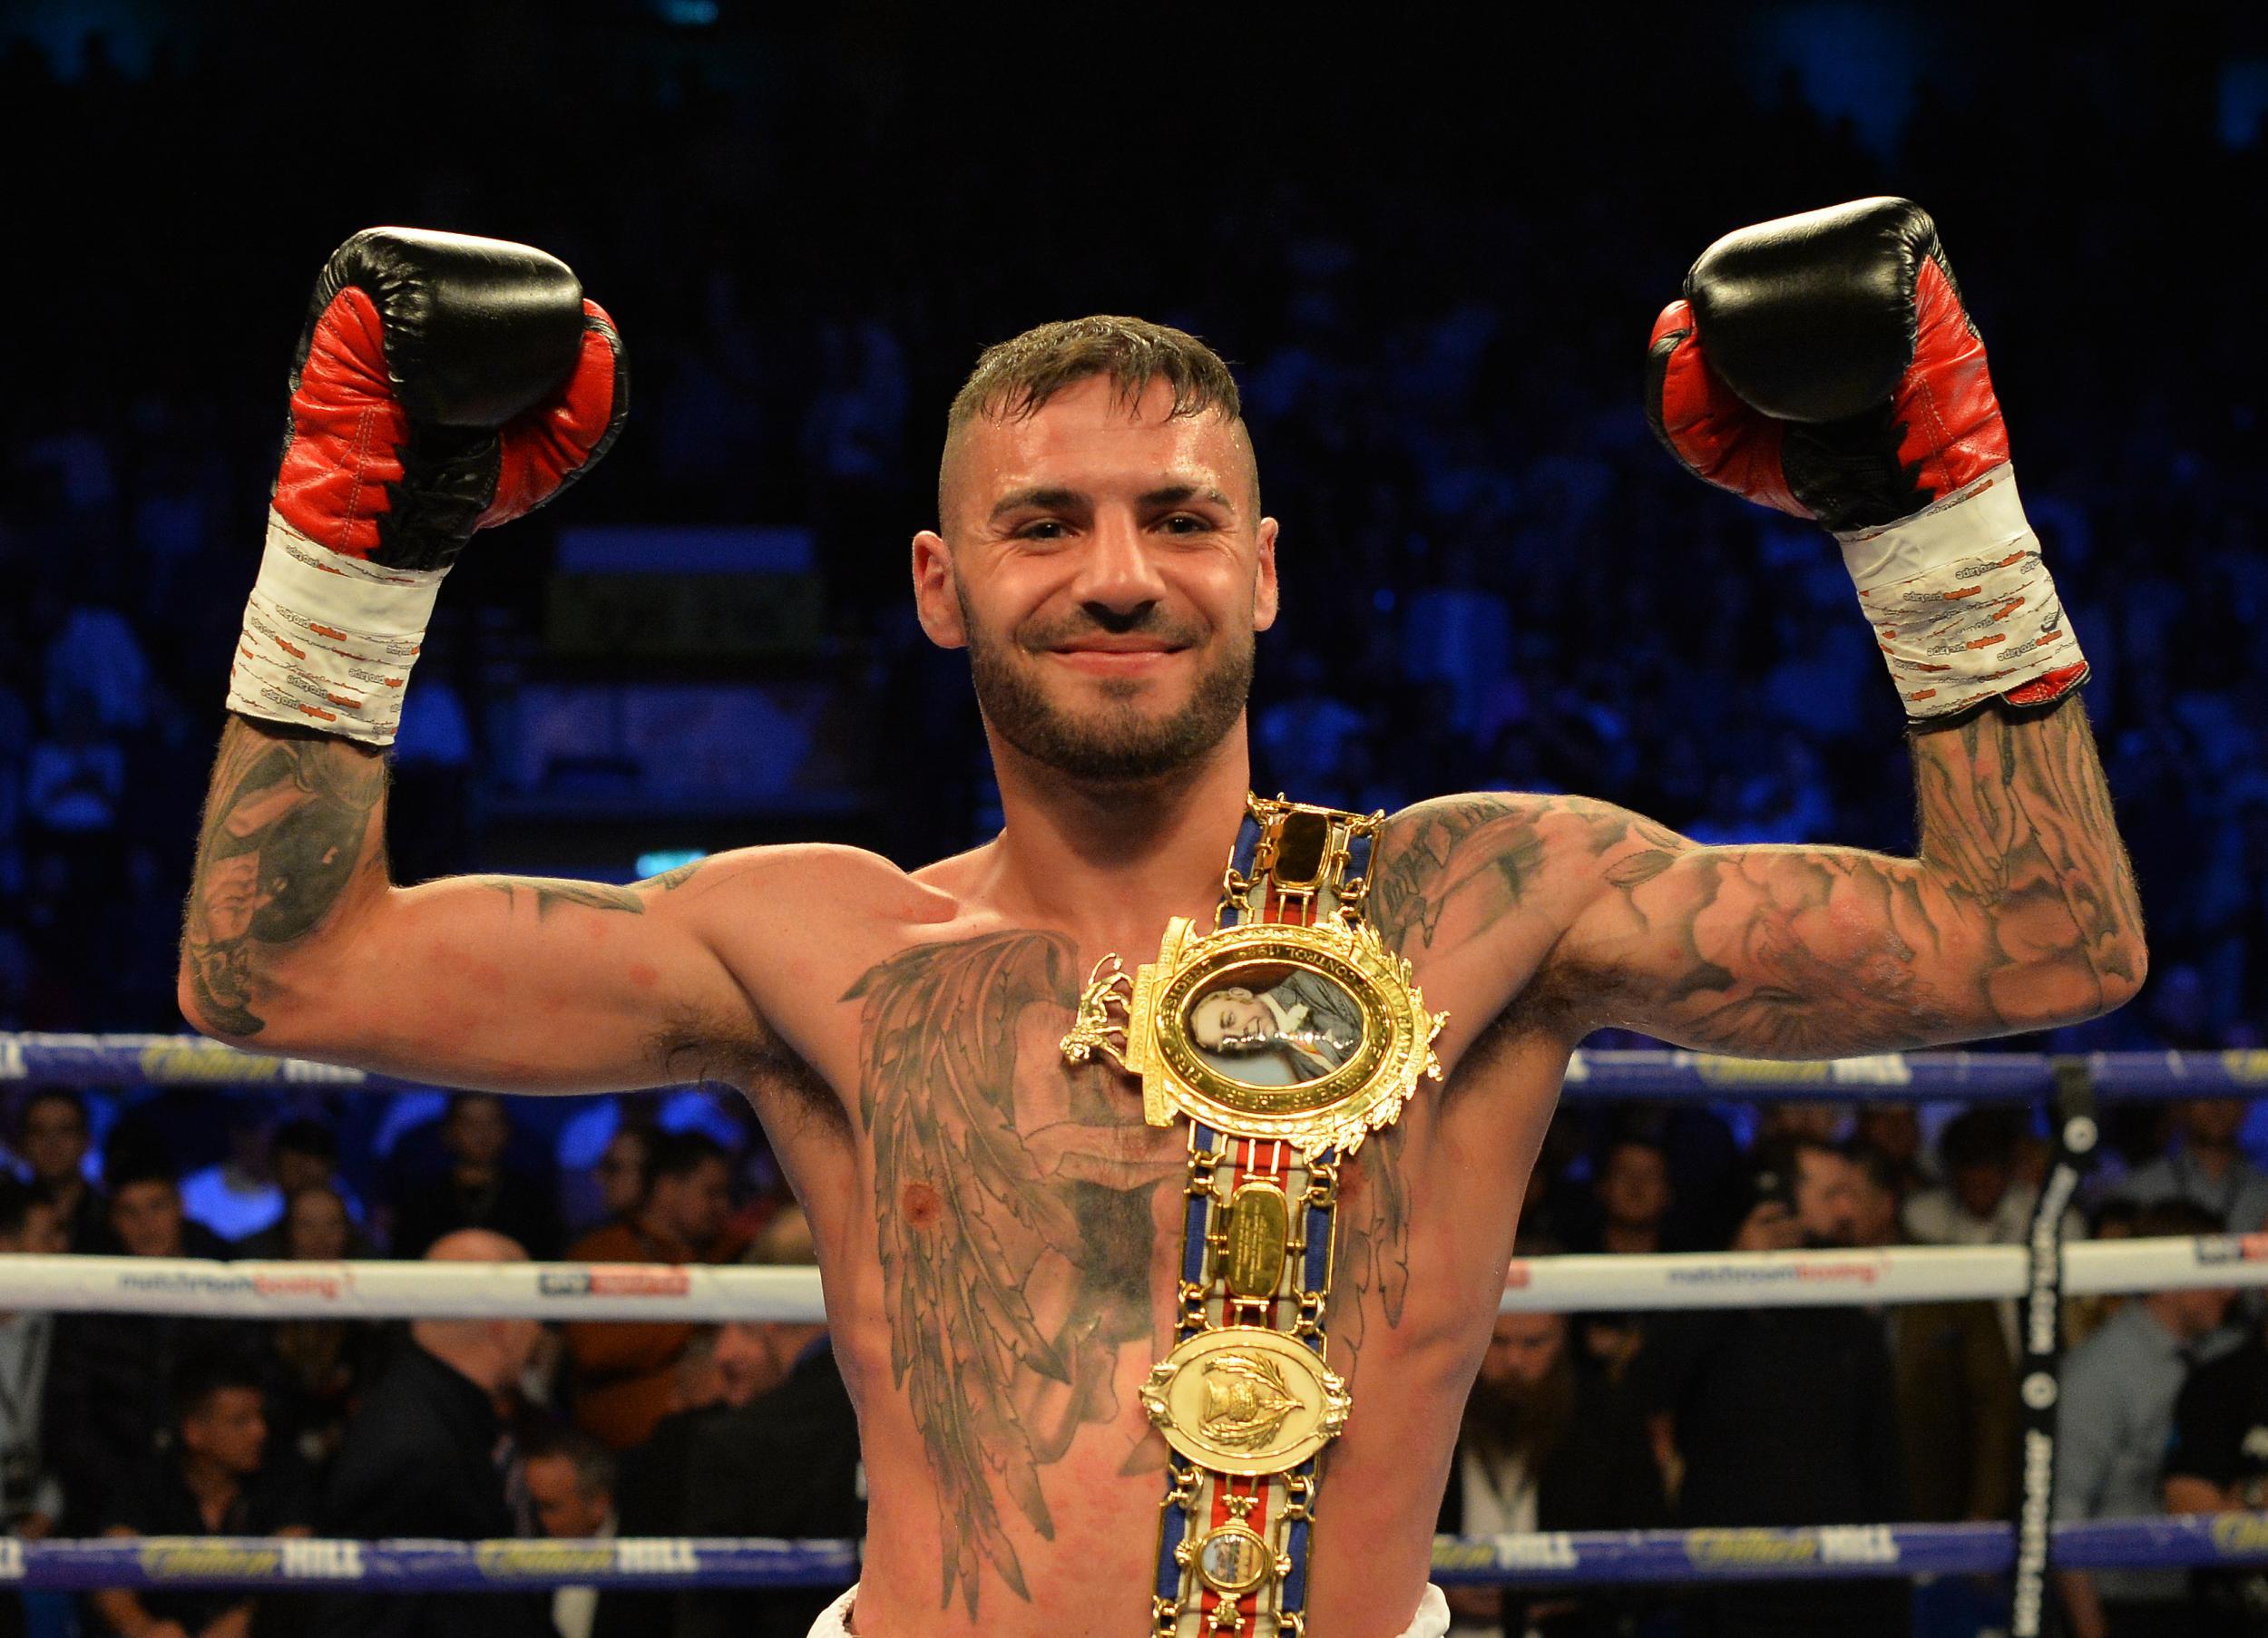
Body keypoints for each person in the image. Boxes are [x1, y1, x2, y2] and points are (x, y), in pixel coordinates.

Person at [176, 206, 2146, 1638]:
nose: (1117, 578)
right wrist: (361, 542)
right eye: (1045, 526)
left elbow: (2037, 947)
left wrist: (1924, 516)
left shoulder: (1487, 900)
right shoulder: (807, 944)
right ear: (941, 586)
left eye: (1177, 520)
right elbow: (279, 968)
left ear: (1264, 571)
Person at [1637, 1139, 1909, 1638]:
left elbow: (1880, 1462)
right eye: (1831, 1195)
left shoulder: (1851, 1316)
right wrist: (1733, 1276)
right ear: (1781, 1201)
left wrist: (1891, 1586)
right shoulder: (1713, 1294)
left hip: (1840, 1581)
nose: (1848, 1211)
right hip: (1728, 1576)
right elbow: (1648, 1386)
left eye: (1851, 1194)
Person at [307, 1228, 551, 1638]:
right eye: (534, 1308)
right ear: (503, 1324)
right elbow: (376, 1616)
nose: (540, 1329)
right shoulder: (416, 1442)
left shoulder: (443, 1408)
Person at [1434, 1275, 1666, 1638]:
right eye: (1498, 1341)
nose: (1514, 1360)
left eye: (1533, 1343)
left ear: (1563, 1339)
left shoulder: (1606, 1420)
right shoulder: (1429, 1417)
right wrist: (1437, 1591)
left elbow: (1648, 1560)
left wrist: (1560, 1592)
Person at [2058, 1199, 2236, 1638]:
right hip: (2123, 1604)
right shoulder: (2099, 1371)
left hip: (2203, 1600)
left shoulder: (2219, 1357)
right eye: (2215, 1271)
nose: (2231, 1289)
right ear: (2170, 1276)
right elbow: (2064, 1512)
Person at [89, 1354, 317, 1638]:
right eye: (241, 1421)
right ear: (194, 1432)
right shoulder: (150, 1479)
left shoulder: (283, 1473)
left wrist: (245, 1620)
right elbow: (110, 1570)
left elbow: (294, 1564)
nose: (260, 1431)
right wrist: (142, 1628)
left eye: (260, 1417)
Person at [564, 1129, 744, 1448]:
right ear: (667, 1189)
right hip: (622, 1447)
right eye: (711, 1193)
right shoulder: (601, 1253)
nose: (723, 1206)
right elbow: (594, 1350)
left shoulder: (732, 1254)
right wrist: (696, 1308)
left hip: (718, 1440)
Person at [386, 1092, 561, 1259]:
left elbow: (550, 1258)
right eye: (469, 1123)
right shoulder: (424, 1197)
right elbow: (403, 1258)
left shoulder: (530, 1197)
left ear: (507, 1129)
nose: (481, 1133)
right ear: (449, 1131)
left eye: (491, 1122)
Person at [0, 1178, 66, 1546]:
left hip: (46, 1524)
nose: (62, 1249)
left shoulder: (69, 1329)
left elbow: (78, 1431)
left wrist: (47, 1510)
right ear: (5, 1246)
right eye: (47, 1238)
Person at [2112, 1099, 2268, 1232]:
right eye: (2204, 1094)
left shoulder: (2262, 1189)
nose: (2216, 1105)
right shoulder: (2138, 1188)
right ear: (2181, 1106)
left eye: (2227, 1094)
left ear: (2245, 1106)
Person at [521, 1426, 618, 1638]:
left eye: (549, 1507)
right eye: (534, 1506)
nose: (539, 1519)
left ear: (598, 1505)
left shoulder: (644, 1566)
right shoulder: (530, 1556)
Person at [15, 1088, 107, 1252]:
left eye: (65, 1130)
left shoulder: (112, 1214)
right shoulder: (7, 1213)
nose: (52, 1144)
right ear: (22, 1143)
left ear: (86, 1140)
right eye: (39, 1132)